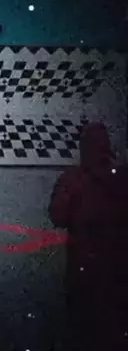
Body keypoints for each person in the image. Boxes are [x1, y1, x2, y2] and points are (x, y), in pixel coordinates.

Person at [48, 122, 128, 351]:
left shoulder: (73, 179)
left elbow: (57, 216)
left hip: (89, 267)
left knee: (86, 327)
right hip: (110, 269)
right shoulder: (121, 177)